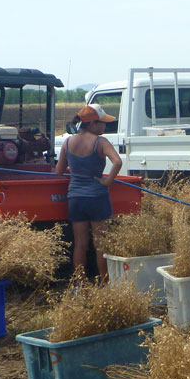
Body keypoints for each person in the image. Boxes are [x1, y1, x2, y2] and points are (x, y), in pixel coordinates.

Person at [55, 103, 122, 281]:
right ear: (92, 123)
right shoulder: (101, 142)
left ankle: (79, 283)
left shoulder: (68, 142)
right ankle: (104, 282)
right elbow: (117, 162)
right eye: (102, 123)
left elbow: (59, 171)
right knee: (101, 243)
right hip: (97, 198)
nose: (104, 126)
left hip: (76, 198)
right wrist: (107, 181)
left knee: (80, 244)